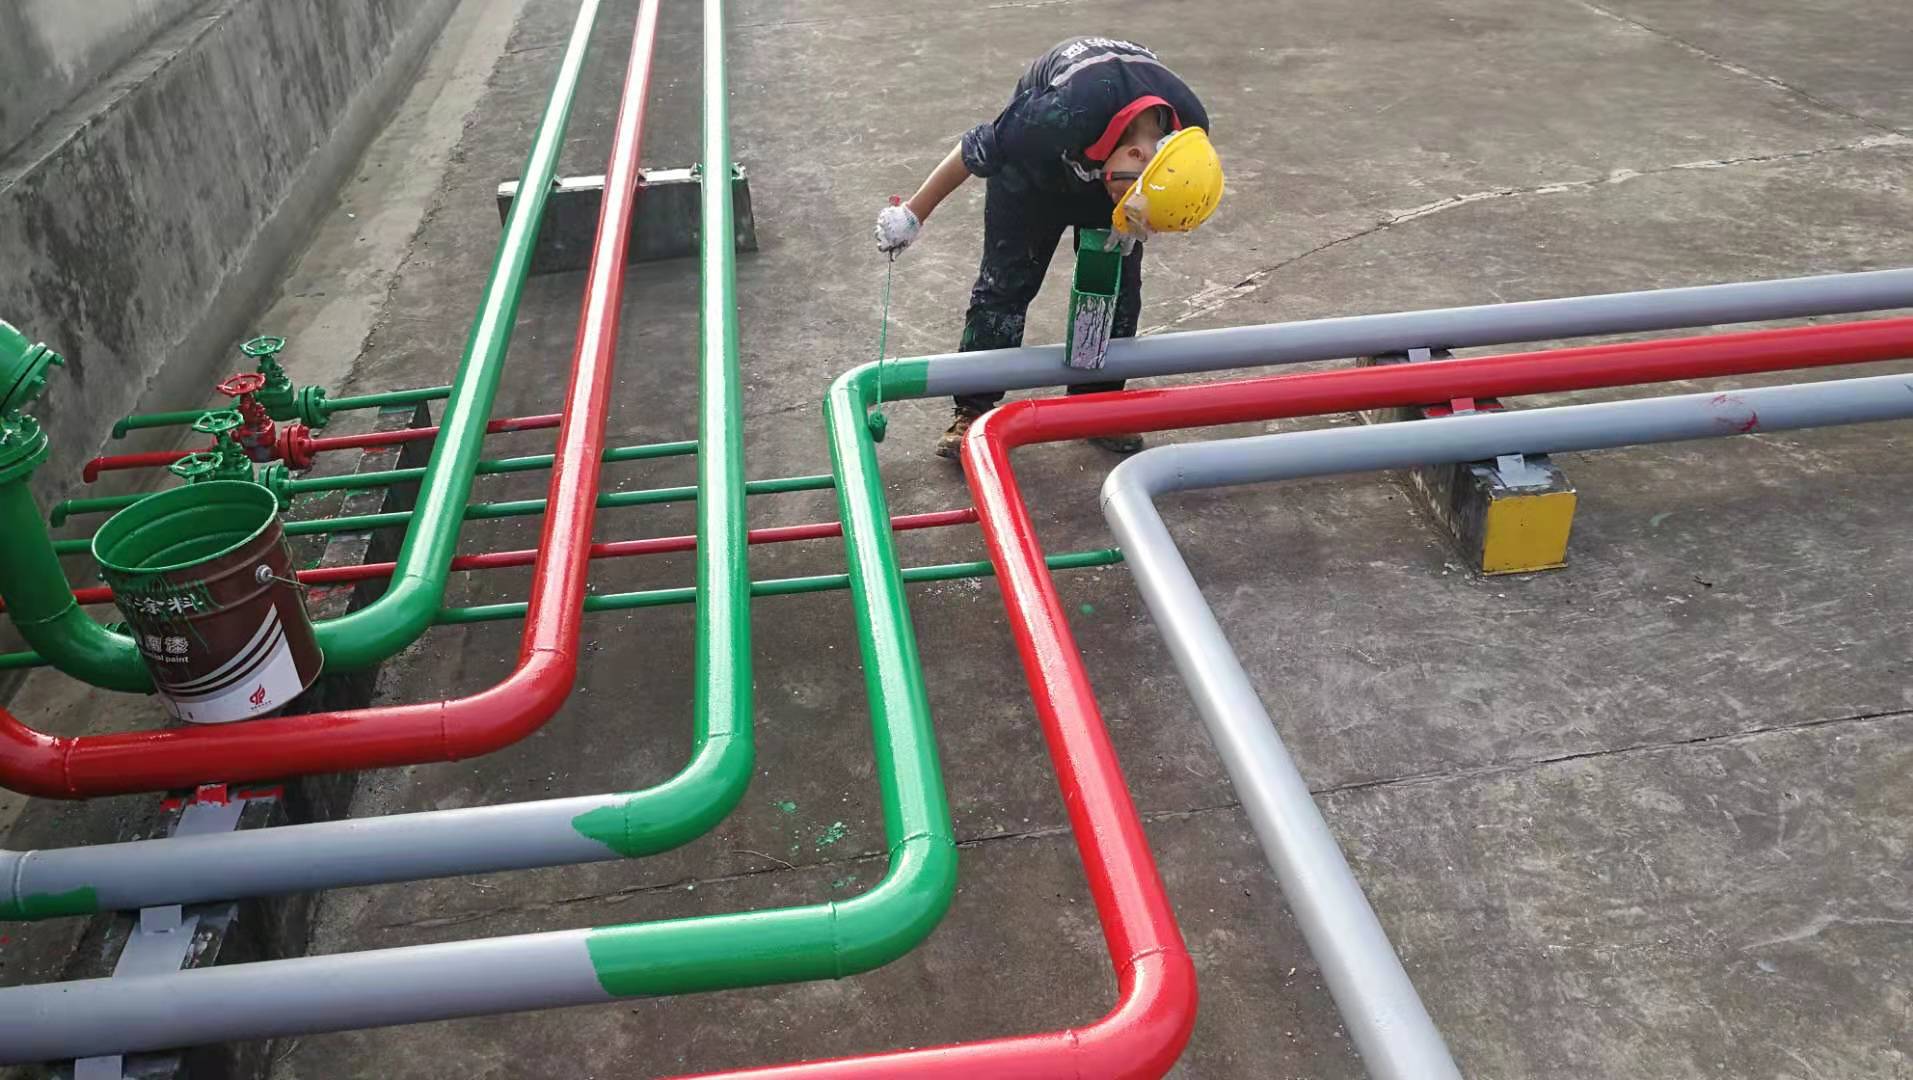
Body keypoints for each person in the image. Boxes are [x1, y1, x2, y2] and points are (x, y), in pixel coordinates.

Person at [875, 35, 1225, 460]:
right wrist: (912, 215)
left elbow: (1146, 193)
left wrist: (1133, 217)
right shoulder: (1057, 115)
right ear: (1136, 154)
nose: (1123, 208)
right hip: (1031, 174)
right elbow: (972, 151)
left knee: (1113, 290)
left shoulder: (1188, 139)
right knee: (1006, 286)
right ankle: (974, 410)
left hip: (1114, 168)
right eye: (1126, 202)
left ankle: (1097, 403)